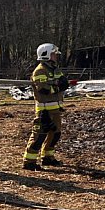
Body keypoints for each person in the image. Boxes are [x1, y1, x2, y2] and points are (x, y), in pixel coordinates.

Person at [22, 43, 71, 171]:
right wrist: (59, 87)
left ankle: (48, 157)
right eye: (54, 54)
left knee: (55, 134)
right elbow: (43, 89)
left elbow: (62, 81)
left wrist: (63, 83)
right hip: (44, 110)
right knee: (39, 135)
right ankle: (29, 161)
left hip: (55, 109)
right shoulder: (40, 71)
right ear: (47, 55)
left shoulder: (55, 69)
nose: (56, 56)